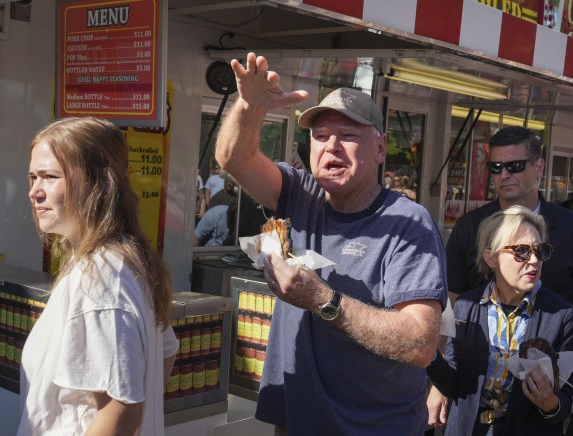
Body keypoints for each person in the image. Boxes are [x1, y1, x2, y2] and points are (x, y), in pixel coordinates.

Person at [215, 52, 447, 434]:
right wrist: (249, 105)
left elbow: (420, 343)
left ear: (381, 148)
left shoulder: (408, 224)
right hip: (296, 420)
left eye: (349, 135)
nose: (331, 146)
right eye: (320, 137)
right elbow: (234, 158)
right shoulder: (299, 194)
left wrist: (325, 300)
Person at [18, 117, 178, 435]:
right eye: (33, 177)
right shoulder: (121, 259)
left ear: (96, 182)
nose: (35, 191)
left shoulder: (101, 278)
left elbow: (122, 412)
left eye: (50, 177)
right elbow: (167, 351)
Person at [431, 126, 573, 430]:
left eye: (515, 166)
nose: (504, 174)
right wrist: (438, 381)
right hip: (472, 395)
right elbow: (454, 304)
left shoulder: (570, 229)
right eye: (495, 167)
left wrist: (553, 400)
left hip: (542, 394)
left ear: (539, 167)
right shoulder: (469, 228)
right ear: (490, 256)